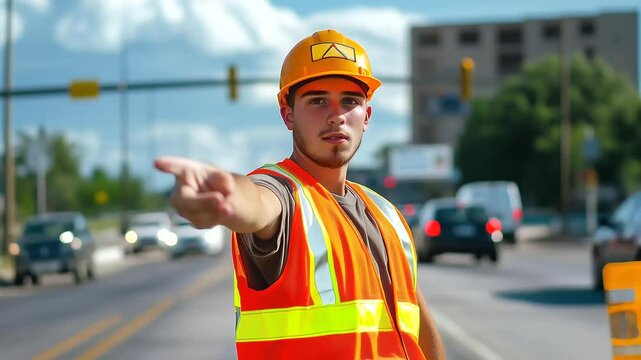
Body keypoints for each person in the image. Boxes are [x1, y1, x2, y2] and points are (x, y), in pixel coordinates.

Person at [155, 29, 446, 360]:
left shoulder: (386, 213)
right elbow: (257, 203)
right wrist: (226, 198)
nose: (336, 115)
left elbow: (417, 322)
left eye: (350, 100)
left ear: (366, 116)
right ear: (288, 114)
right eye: (318, 100)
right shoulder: (282, 192)